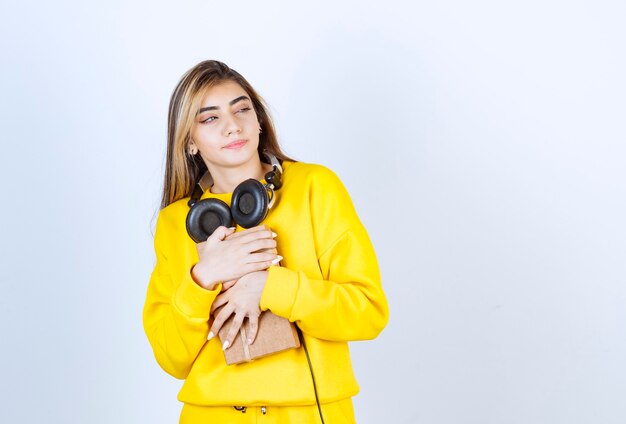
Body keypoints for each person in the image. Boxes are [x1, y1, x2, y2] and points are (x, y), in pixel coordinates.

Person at [142, 60, 389, 423]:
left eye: (242, 109)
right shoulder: (175, 222)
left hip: (308, 413)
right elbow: (171, 357)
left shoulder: (315, 188)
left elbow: (368, 312)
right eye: (210, 118)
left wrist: (272, 288)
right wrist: (204, 277)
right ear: (190, 141)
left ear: (259, 121)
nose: (232, 125)